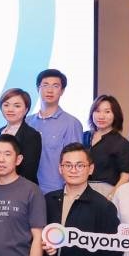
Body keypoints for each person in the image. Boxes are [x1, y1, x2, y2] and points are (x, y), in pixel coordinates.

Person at [27, 68, 84, 196]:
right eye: (45, 85)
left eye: (55, 86)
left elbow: (75, 161)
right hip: (27, 191)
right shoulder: (27, 122)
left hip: (56, 192)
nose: (50, 90)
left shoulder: (71, 123)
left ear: (62, 91)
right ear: (37, 89)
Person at [82, 95, 129, 198]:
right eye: (97, 111)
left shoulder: (121, 143)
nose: (101, 116)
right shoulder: (83, 136)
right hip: (81, 190)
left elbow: (126, 176)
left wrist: (111, 197)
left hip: (106, 192)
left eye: (107, 112)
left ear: (115, 115)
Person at [0, 88, 42, 185]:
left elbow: (28, 172)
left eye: (17, 106)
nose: (10, 109)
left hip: (21, 189)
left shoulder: (32, 135)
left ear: (26, 110)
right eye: (6, 105)